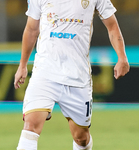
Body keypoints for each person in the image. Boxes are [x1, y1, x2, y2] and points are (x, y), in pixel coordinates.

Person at [14, 0, 129, 149]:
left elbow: (112, 26)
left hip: (78, 77)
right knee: (30, 125)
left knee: (81, 137)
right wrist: (22, 65)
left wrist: (122, 57)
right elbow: (31, 29)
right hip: (45, 73)